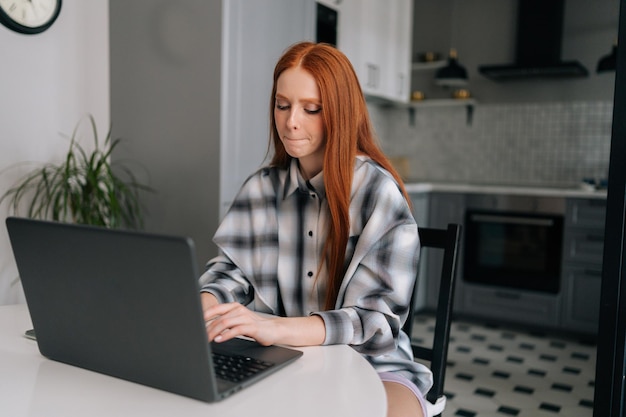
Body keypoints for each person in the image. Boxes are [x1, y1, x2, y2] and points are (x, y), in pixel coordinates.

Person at [199, 41, 431, 417]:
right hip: (280, 359)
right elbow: (230, 275)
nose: (291, 121)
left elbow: (374, 320)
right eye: (282, 105)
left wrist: (275, 328)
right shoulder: (261, 188)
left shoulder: (377, 192)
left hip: (376, 367)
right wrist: (203, 306)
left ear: (339, 113)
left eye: (311, 109)